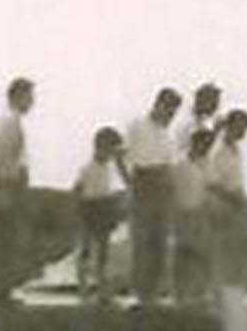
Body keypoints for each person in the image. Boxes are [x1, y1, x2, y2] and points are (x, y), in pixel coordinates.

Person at [125, 87, 183, 304]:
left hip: (163, 186)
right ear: (159, 104)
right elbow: (123, 155)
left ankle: (153, 294)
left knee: (159, 243)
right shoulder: (138, 125)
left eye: (174, 112)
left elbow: (169, 164)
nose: (171, 115)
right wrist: (130, 184)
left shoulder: (166, 134)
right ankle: (140, 295)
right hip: (143, 183)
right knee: (142, 242)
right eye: (169, 109)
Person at [0, 77, 34, 307]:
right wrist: (5, 187)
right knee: (3, 240)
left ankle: (2, 289)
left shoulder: (12, 122)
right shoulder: (8, 122)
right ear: (15, 96)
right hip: (6, 184)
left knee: (7, 240)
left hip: (10, 183)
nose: (31, 102)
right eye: (28, 96)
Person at [73, 127, 127, 303]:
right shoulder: (87, 168)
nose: (111, 153)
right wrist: (79, 210)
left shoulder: (109, 168)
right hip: (89, 208)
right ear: (99, 146)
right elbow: (78, 190)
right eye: (110, 148)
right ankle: (83, 288)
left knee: (103, 252)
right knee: (85, 249)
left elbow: (116, 186)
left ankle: (102, 289)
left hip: (104, 207)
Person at [208, 109, 247, 288]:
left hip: (234, 204)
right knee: (220, 249)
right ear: (229, 126)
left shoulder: (235, 149)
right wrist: (231, 199)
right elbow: (212, 182)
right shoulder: (218, 150)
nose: (243, 132)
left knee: (236, 250)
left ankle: (227, 288)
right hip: (221, 205)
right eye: (240, 127)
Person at [171, 129, 215, 305]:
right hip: (183, 213)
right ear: (194, 143)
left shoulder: (207, 165)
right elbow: (172, 191)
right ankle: (180, 296)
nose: (205, 148)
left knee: (204, 255)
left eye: (208, 145)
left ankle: (201, 294)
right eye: (203, 144)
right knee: (183, 255)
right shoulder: (180, 165)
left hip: (202, 213)